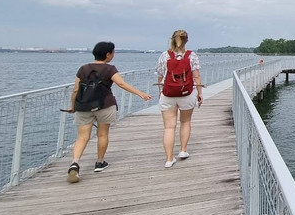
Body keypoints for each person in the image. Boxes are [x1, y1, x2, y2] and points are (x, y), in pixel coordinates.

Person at [64, 41, 152, 183]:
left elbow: (75, 89)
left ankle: (75, 163)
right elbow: (121, 84)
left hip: (84, 106)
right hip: (105, 105)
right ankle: (99, 162)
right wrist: (140, 93)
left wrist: (73, 106)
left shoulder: (83, 69)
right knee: (102, 134)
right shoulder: (110, 69)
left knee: (82, 137)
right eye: (113, 52)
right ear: (108, 54)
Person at [156, 30, 203, 168]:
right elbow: (197, 76)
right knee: (186, 121)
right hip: (187, 93)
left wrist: (161, 92)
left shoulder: (164, 55)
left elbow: (160, 76)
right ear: (186, 41)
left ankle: (169, 159)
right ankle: (183, 150)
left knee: (169, 127)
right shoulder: (191, 56)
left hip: (168, 93)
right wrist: (200, 93)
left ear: (172, 39)